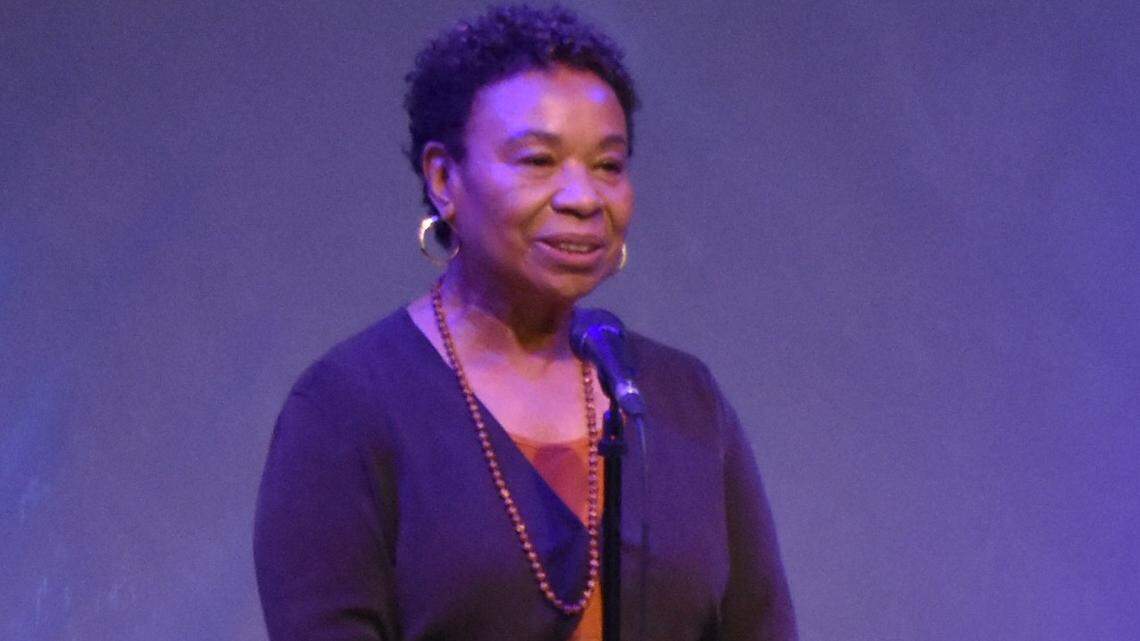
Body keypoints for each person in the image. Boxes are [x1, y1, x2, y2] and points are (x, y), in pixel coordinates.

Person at [253, 5, 797, 640]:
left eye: (608, 165)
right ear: (444, 178)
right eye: (539, 161)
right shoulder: (347, 410)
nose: (583, 198)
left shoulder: (679, 400)